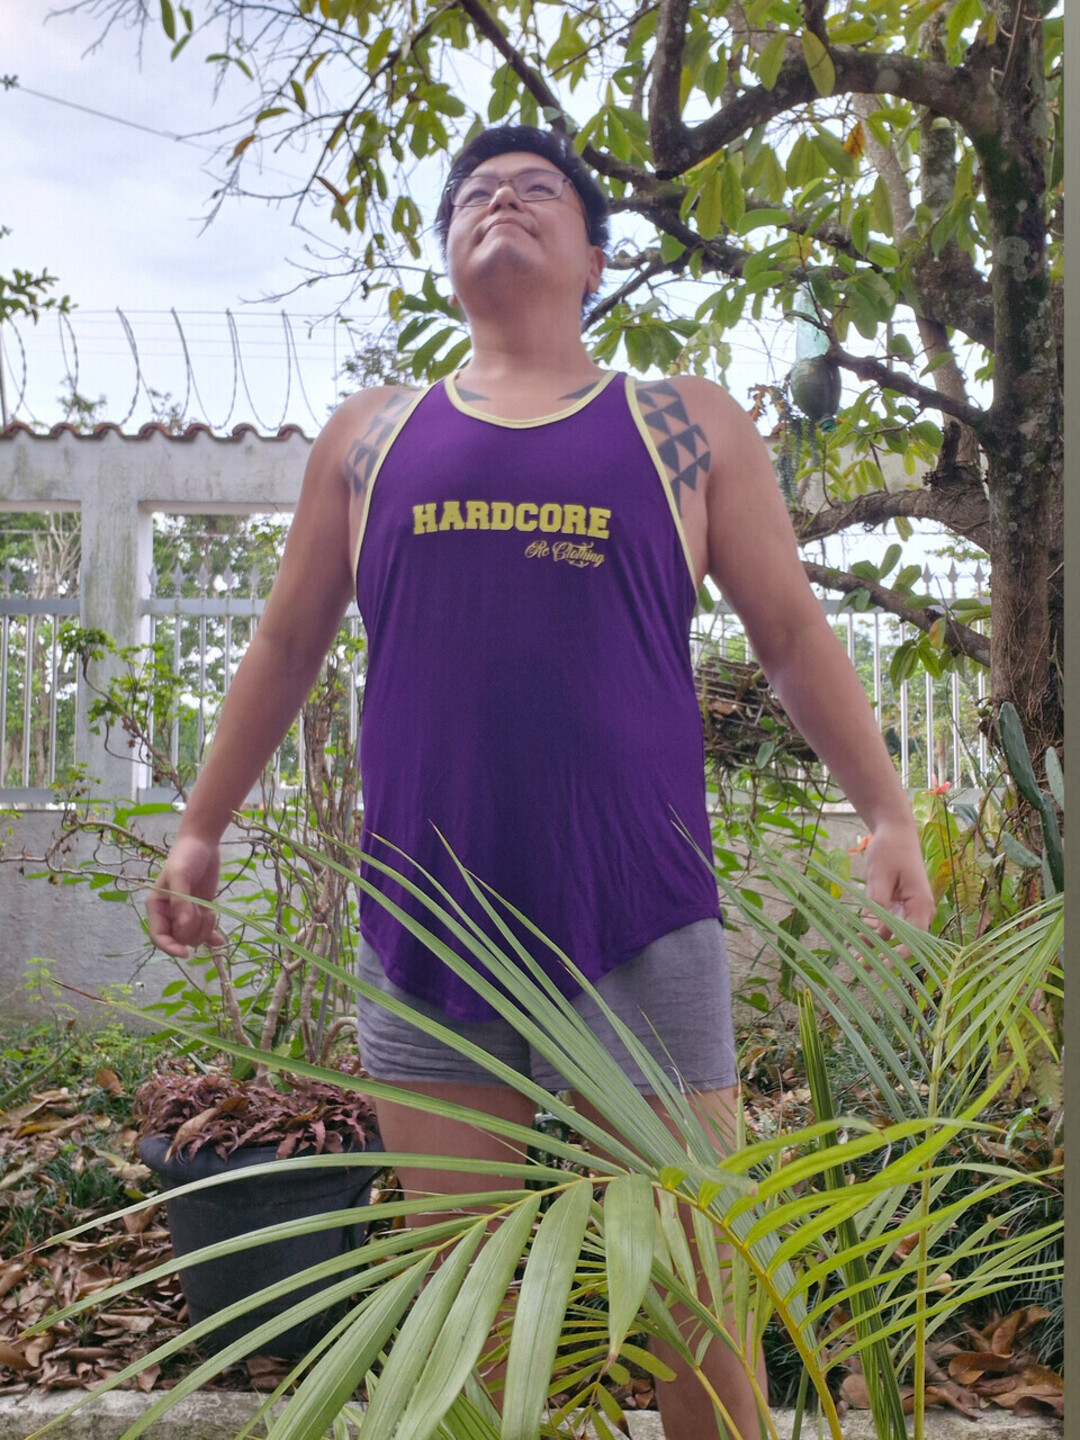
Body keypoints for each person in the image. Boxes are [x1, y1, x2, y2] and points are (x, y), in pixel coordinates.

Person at [147, 124, 936, 1439]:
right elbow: (285, 644)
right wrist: (199, 829)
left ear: (595, 257)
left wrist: (887, 809)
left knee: (697, 1303)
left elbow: (792, 633)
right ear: (449, 251)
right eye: (475, 194)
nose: (499, 203)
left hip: (641, 913)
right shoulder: (371, 436)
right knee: (465, 1318)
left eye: (535, 191)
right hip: (429, 931)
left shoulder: (682, 425)